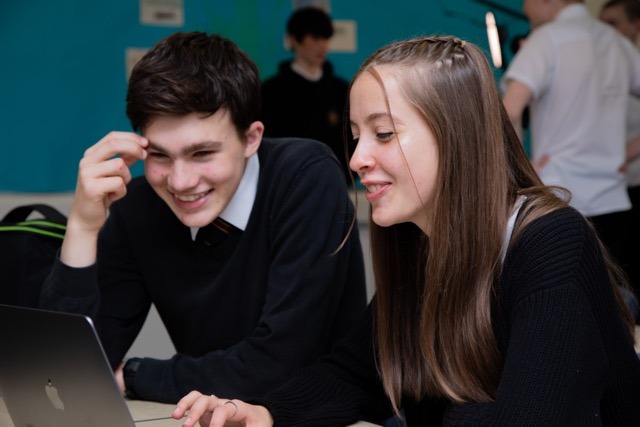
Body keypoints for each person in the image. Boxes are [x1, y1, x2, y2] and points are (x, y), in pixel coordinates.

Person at [172, 36, 640, 426]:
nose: (356, 160)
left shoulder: (549, 240)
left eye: (384, 134)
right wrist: (263, 413)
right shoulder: (421, 238)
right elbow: (354, 374)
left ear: (457, 134)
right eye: (356, 136)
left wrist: (427, 408)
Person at [38, 31, 367, 404]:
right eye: (160, 155)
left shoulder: (305, 177)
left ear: (251, 138)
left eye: (202, 153)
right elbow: (62, 375)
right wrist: (82, 226)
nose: (181, 182)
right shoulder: (141, 207)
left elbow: (280, 365)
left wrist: (134, 374)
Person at [502, 0, 640, 299]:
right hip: (613, 200)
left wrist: (520, 164)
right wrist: (625, 153)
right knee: (614, 307)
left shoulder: (547, 39)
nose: (525, 8)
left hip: (559, 194)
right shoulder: (618, 43)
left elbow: (509, 108)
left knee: (563, 301)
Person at [261, 7, 351, 182]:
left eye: (326, 38)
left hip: (333, 184)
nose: (323, 45)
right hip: (286, 186)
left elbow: (351, 141)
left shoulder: (340, 89)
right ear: (295, 40)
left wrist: (343, 176)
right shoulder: (272, 91)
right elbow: (265, 143)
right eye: (315, 38)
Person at [600, 0, 640, 301]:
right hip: (610, 188)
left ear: (635, 26)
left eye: (612, 23)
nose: (605, 31)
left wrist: (624, 154)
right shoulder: (605, 70)